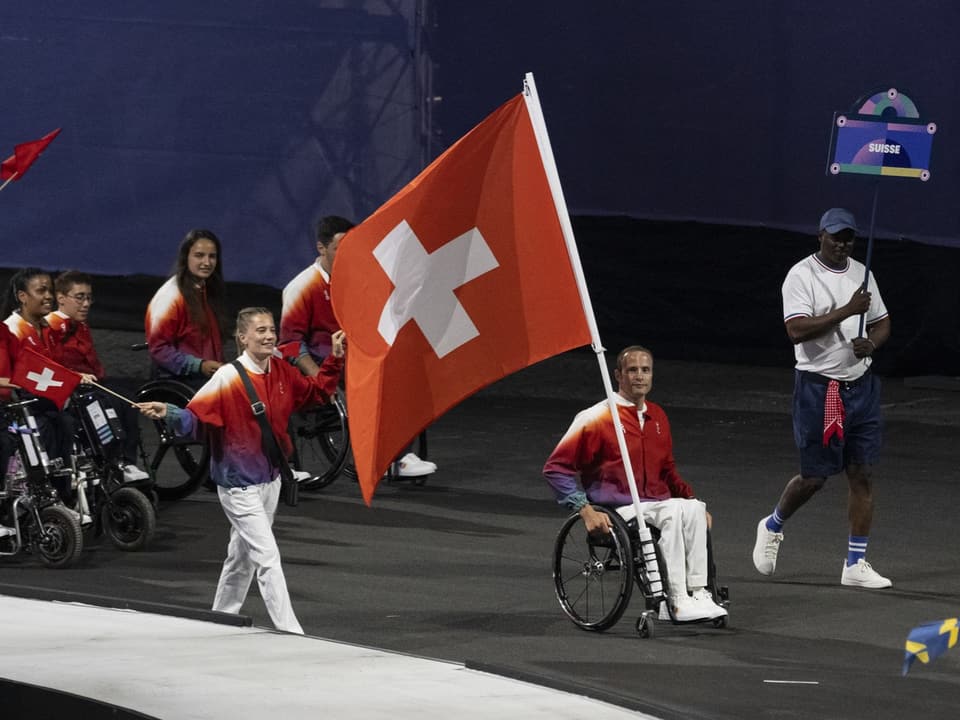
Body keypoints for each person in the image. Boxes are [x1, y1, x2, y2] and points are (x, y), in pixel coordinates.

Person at [137, 308, 346, 633]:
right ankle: (292, 632)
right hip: (238, 485)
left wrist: (334, 359)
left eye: (271, 330)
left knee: (242, 556)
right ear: (242, 338)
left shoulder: (280, 370)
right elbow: (195, 419)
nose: (268, 336)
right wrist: (170, 411)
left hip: (271, 481)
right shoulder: (227, 378)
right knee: (267, 556)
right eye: (260, 330)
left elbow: (316, 392)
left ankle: (220, 618)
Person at [752, 208, 892, 589]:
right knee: (815, 477)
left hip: (859, 387)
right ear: (820, 236)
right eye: (835, 237)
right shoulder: (801, 275)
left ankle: (855, 564)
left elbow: (882, 321)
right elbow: (796, 330)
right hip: (819, 389)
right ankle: (773, 525)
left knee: (862, 473)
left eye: (848, 238)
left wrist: (871, 345)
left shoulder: (864, 274)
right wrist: (847, 309)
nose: (842, 245)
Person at [543, 345, 727, 622]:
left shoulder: (658, 417)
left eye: (645, 370)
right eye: (632, 370)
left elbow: (668, 470)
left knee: (693, 508)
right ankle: (675, 599)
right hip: (618, 508)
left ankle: (699, 592)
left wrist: (693, 504)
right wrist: (584, 509)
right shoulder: (596, 417)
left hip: (656, 502)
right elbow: (555, 468)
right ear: (618, 375)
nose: (639, 376)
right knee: (674, 512)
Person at [280, 215, 435, 477]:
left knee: (402, 375)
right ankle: (394, 460)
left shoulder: (357, 280)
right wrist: (319, 377)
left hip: (354, 358)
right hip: (319, 364)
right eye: (340, 249)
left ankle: (398, 455)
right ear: (322, 248)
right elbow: (291, 344)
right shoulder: (301, 286)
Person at [47, 270, 149, 482]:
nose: (85, 304)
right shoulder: (51, 326)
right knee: (108, 402)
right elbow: (49, 365)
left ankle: (126, 462)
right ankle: (112, 461)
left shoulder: (81, 325)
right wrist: (74, 376)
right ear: (61, 298)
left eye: (88, 297)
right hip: (68, 389)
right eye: (79, 297)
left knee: (129, 400)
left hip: (91, 383)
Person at [145, 229, 226, 390]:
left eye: (212, 256)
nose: (207, 262)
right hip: (179, 382)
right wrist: (200, 366)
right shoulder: (170, 297)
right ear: (185, 257)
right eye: (199, 255)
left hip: (205, 377)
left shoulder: (204, 289)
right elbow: (159, 350)